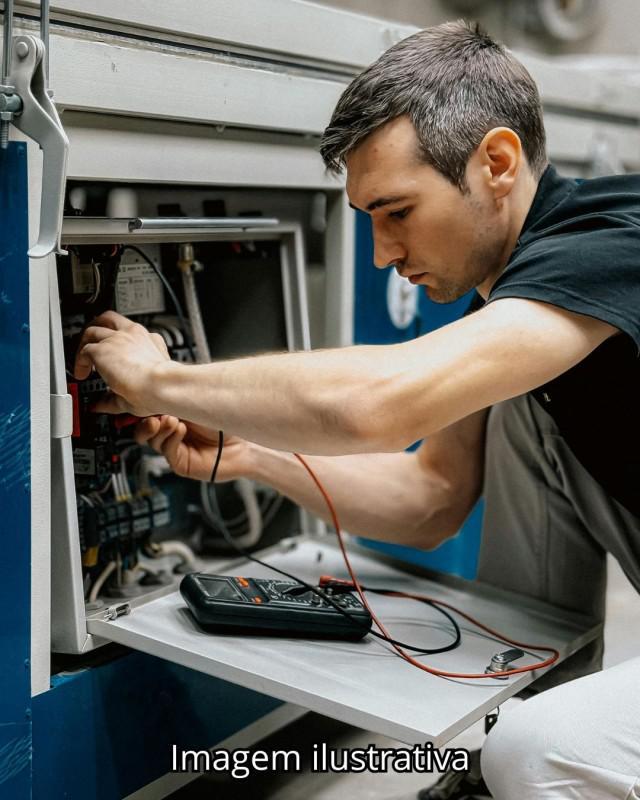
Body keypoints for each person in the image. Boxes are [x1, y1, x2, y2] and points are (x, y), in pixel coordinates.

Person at [74, 21, 640, 800]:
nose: (381, 252)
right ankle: (522, 714)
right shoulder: (516, 295)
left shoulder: (616, 243)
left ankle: (520, 750)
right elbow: (433, 495)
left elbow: (380, 404)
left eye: (396, 211)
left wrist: (160, 379)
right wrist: (247, 456)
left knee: (539, 756)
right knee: (519, 406)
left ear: (497, 164)